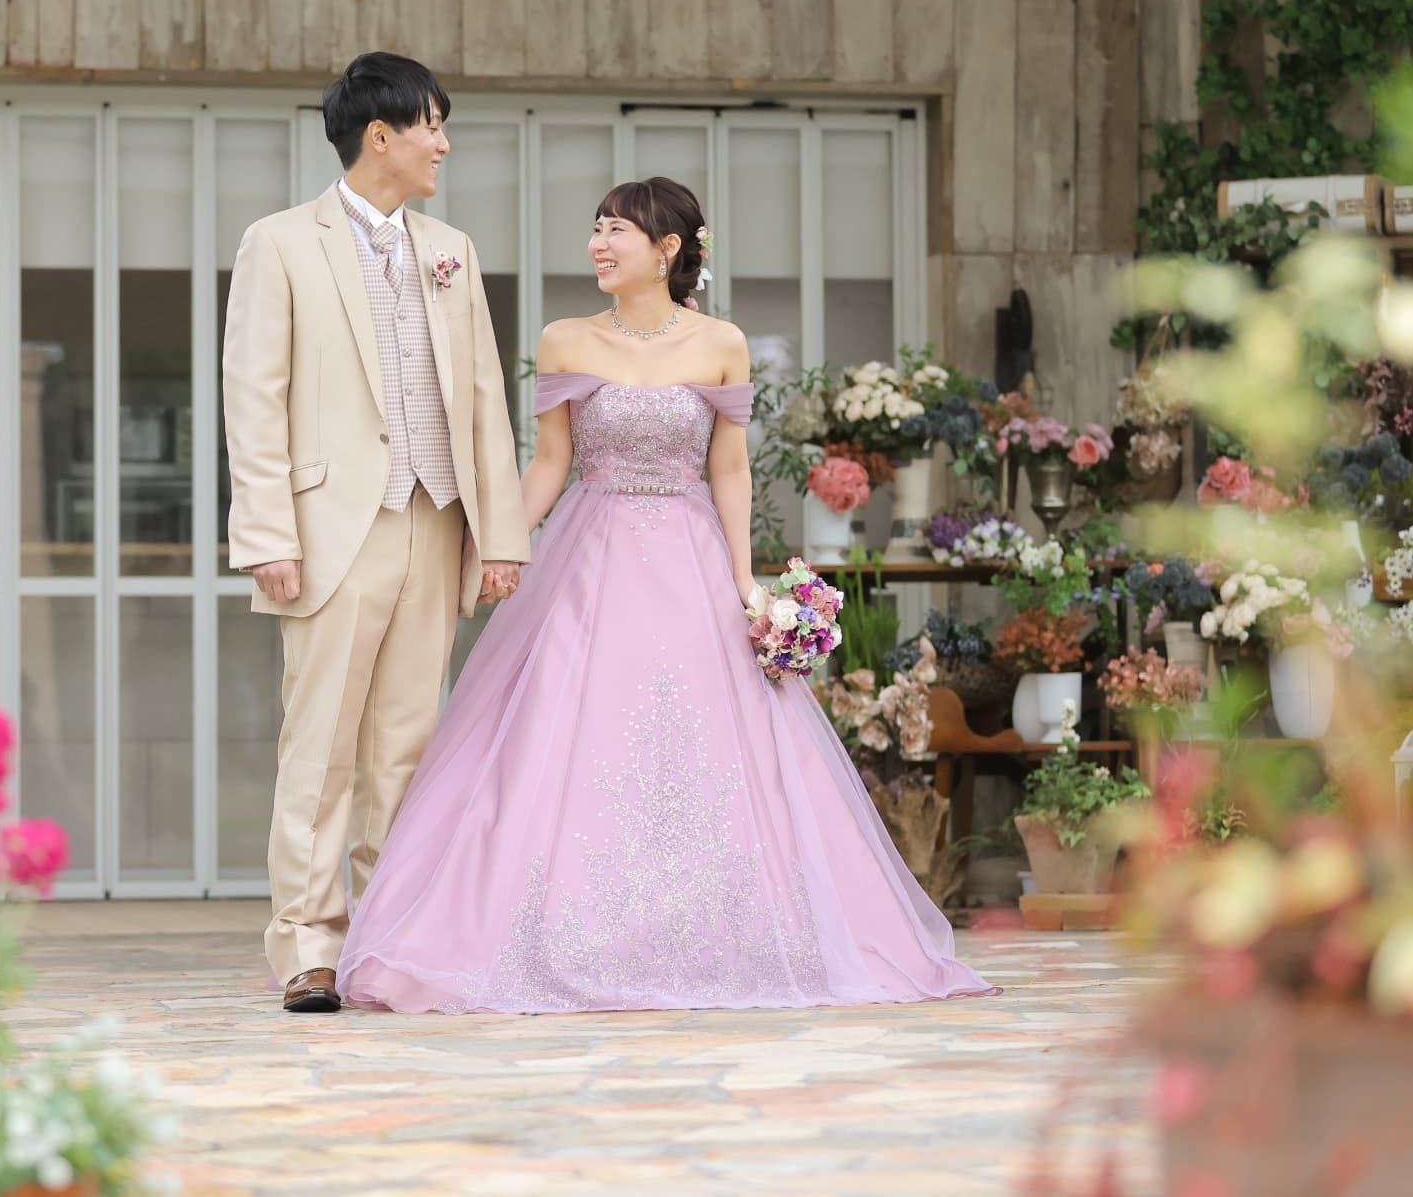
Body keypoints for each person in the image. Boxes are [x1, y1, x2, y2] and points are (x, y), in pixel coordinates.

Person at [336, 177, 996, 1013]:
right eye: (597, 228)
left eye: (616, 229)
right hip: (590, 558)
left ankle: (714, 934)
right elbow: (550, 462)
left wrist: (745, 581)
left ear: (668, 248)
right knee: (563, 738)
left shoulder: (722, 343)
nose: (598, 244)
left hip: (690, 559)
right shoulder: (567, 338)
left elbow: (730, 468)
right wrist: (497, 543)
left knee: (710, 743)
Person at [221, 52, 531, 1012]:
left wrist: (501, 532)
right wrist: (267, 533)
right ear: (380, 134)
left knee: (407, 745)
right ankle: (308, 946)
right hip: (329, 529)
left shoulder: (451, 248)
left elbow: (482, 398)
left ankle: (388, 939)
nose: (444, 144)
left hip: (435, 521)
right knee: (320, 746)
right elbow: (253, 396)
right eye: (432, 125)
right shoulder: (280, 243)